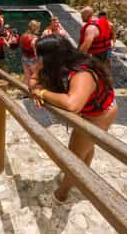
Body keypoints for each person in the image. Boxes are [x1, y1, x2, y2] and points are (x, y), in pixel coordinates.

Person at [29, 36, 118, 203]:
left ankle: (61, 193)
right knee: (85, 148)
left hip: (100, 113)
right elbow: (33, 79)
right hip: (88, 109)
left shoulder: (82, 73)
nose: (36, 60)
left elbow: (72, 105)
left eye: (39, 56)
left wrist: (41, 93)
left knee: (73, 156)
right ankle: (83, 176)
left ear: (50, 57)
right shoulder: (54, 64)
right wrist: (37, 87)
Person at [20, 20, 41, 86]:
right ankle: (33, 93)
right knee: (35, 77)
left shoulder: (23, 35)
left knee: (27, 76)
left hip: (24, 58)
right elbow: (36, 53)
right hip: (32, 59)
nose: (39, 30)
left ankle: (24, 93)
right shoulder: (35, 39)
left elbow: (21, 46)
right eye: (38, 28)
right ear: (35, 28)